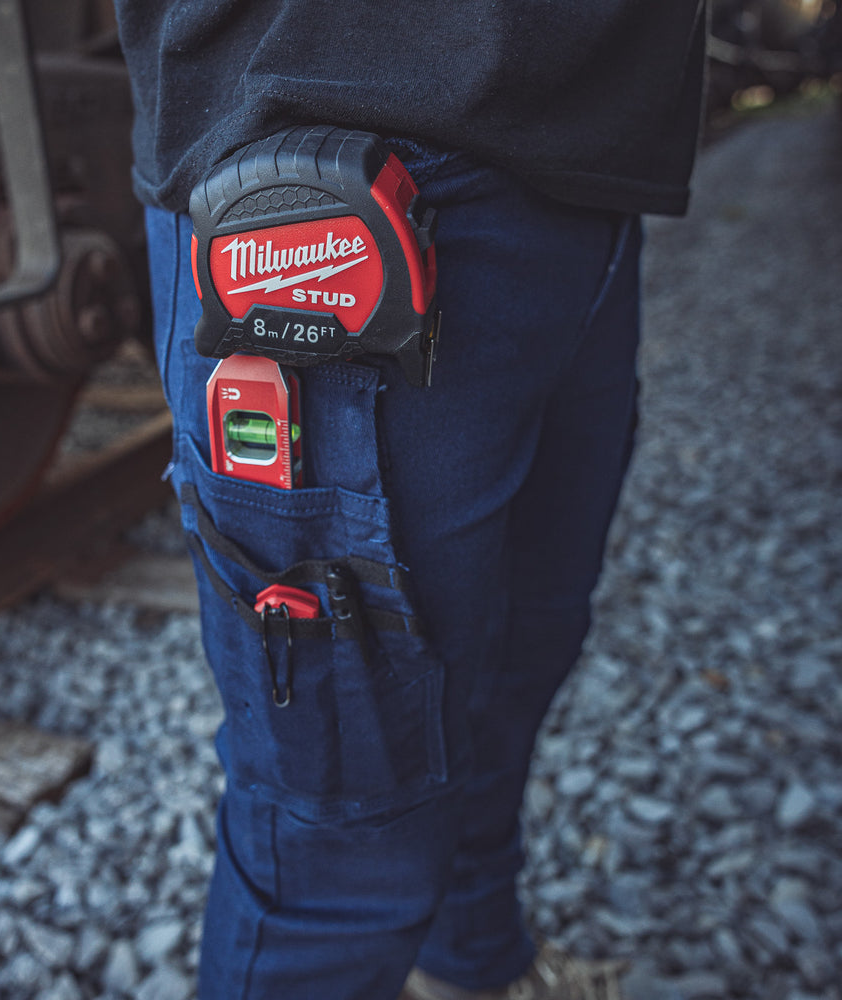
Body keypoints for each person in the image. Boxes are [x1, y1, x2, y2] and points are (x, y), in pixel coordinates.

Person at [112, 3, 708, 998]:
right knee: (339, 827)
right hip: (321, 178)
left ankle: (471, 967)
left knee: (514, 664)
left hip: (586, 166)